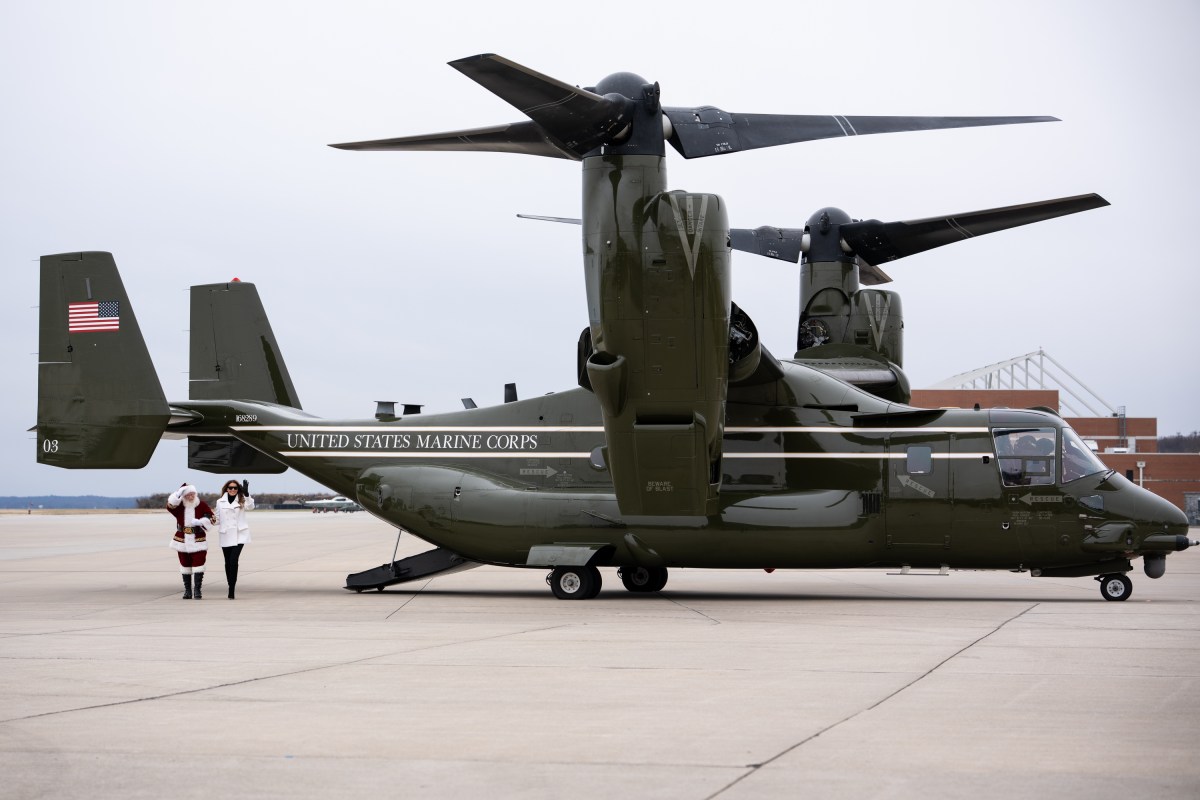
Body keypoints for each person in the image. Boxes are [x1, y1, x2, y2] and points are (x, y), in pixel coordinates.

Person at [166, 484, 215, 599]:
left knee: (199, 564)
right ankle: (188, 591)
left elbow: (212, 518)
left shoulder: (201, 505)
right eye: (188, 494)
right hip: (181, 540)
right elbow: (170, 506)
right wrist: (177, 494)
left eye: (193, 494)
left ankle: (197, 590)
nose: (191, 496)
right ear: (183, 496)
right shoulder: (179, 507)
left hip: (198, 540)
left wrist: (201, 522)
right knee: (185, 565)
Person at [215, 480, 254, 599]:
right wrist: (207, 519)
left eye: (235, 488)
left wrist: (247, 494)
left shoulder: (242, 500)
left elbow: (251, 507)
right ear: (226, 489)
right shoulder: (219, 502)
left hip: (239, 534)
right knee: (227, 562)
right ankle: (229, 584)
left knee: (233, 560)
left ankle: (232, 588)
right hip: (225, 534)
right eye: (230, 488)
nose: (233, 490)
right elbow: (217, 518)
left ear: (238, 489)